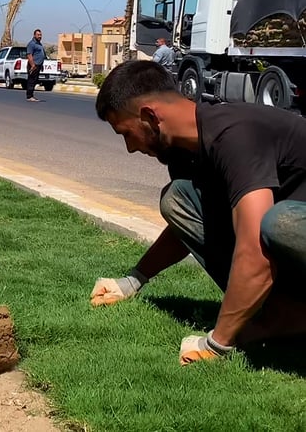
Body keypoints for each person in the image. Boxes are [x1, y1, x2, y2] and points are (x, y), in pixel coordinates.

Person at [91, 60, 306, 365]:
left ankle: (286, 315)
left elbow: (255, 249)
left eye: (126, 133)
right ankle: (283, 312)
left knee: (276, 223)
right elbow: (191, 226)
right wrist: (134, 280)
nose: (130, 148)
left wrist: (216, 344)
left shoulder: (234, 135)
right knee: (178, 199)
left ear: (150, 116)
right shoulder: (184, 151)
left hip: (293, 225)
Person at [25, 29, 46, 102]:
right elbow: (29, 55)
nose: (40, 36)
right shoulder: (32, 44)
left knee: (34, 80)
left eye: (40, 35)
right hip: (33, 65)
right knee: (31, 80)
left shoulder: (39, 44)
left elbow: (40, 55)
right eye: (38, 35)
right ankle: (29, 96)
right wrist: (32, 65)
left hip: (38, 65)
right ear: (34, 35)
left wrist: (41, 64)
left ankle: (31, 95)